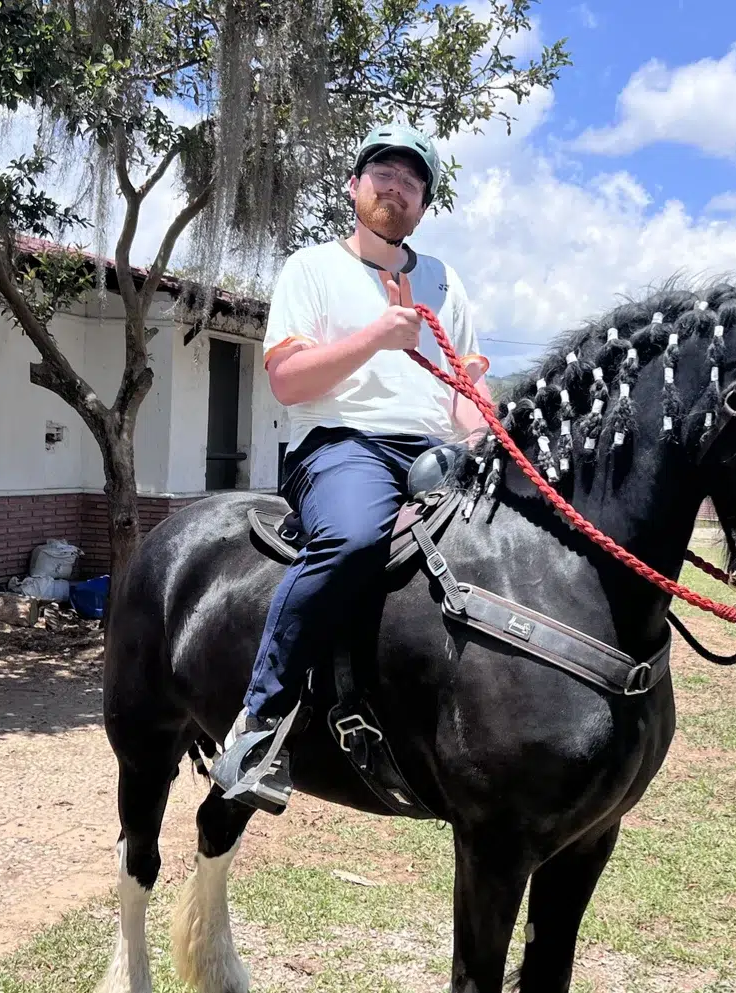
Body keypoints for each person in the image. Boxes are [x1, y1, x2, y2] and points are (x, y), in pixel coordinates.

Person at [210, 123, 492, 812]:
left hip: (435, 450)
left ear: (424, 204)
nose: (397, 187)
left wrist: (486, 437)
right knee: (354, 539)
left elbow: (465, 391)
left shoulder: (444, 282)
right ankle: (260, 724)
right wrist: (377, 336)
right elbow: (288, 381)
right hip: (343, 447)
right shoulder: (312, 268)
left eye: (413, 181)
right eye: (384, 174)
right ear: (354, 187)